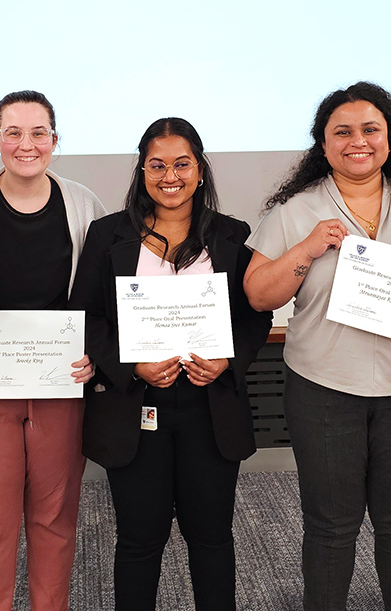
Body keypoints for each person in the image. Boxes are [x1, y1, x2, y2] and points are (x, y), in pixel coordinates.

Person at [243, 82, 391, 611]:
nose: (357, 142)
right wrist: (308, 246)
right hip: (323, 387)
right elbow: (258, 295)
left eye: (371, 129)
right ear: (322, 145)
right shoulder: (296, 210)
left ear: (390, 137)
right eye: (341, 132)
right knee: (330, 525)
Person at [70, 118, 273, 611]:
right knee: (139, 541)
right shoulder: (106, 236)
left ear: (200, 170)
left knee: (212, 539)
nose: (169, 176)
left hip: (210, 408)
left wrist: (227, 361)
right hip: (136, 407)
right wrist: (131, 366)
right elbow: (87, 317)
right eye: (156, 165)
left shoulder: (231, 236)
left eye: (182, 164)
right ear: (141, 171)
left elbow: (254, 317)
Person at [0, 90, 107, 611]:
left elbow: (103, 297)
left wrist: (94, 355)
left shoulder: (84, 204)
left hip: (61, 384)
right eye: (12, 133)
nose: (26, 144)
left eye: (38, 132)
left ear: (55, 141)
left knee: (55, 520)